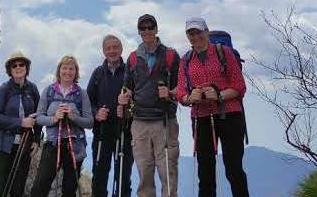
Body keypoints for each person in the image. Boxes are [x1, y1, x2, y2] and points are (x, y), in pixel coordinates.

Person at [176, 18, 248, 197]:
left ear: (207, 32)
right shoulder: (186, 60)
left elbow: (239, 86)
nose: (195, 36)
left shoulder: (224, 52)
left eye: (198, 32)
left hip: (229, 114)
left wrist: (219, 96)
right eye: (191, 33)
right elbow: (181, 92)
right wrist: (189, 97)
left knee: (233, 169)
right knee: (205, 172)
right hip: (201, 117)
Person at [118, 14, 180, 197]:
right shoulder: (133, 58)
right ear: (139, 31)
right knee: (144, 173)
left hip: (165, 120)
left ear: (156, 29)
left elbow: (182, 88)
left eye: (150, 27)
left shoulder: (170, 56)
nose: (146, 31)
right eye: (142, 28)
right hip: (139, 122)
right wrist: (124, 96)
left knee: (168, 172)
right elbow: (127, 87)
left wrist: (170, 93)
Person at [30, 56, 94, 197]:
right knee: (40, 186)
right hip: (53, 144)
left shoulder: (81, 93)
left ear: (76, 72)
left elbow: (90, 122)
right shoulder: (49, 91)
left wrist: (73, 117)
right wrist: (54, 118)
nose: (67, 72)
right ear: (59, 70)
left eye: (71, 69)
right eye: (64, 68)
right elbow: (39, 117)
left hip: (75, 145)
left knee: (69, 189)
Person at [0, 51, 42, 197]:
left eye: (21, 64)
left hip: (24, 145)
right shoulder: (4, 89)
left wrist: (37, 139)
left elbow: (38, 115)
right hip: (1, 146)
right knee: (0, 190)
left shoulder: (32, 89)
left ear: (26, 67)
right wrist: (20, 122)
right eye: (14, 65)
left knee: (18, 190)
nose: (18, 67)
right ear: (10, 69)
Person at [87, 35, 132, 197]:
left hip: (125, 132)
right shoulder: (98, 73)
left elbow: (136, 101)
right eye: (108, 48)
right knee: (99, 177)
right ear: (104, 51)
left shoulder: (129, 72)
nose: (112, 51)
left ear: (121, 49)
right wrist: (96, 113)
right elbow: (88, 102)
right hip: (102, 132)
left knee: (123, 179)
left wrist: (127, 110)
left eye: (115, 47)